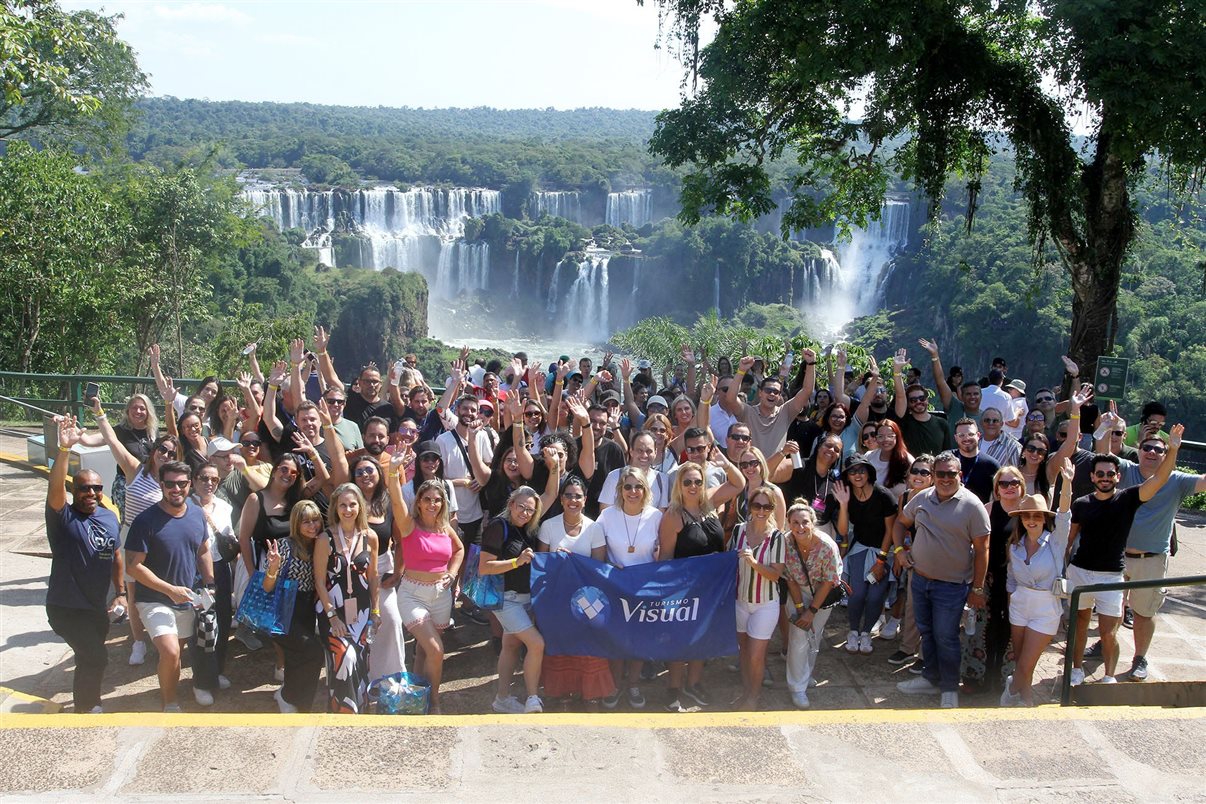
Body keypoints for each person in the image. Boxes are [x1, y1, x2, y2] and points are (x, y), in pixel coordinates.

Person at [1067, 429, 1182, 686]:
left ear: (1118, 476)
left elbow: (1160, 479)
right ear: (1092, 476)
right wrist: (1061, 569)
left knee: (1109, 632)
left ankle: (1108, 676)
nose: (1105, 478)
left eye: (1110, 474)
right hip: (1080, 572)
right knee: (1080, 624)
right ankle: (1075, 670)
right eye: (1100, 473)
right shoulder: (1082, 503)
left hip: (1111, 575)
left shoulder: (1129, 498)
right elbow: (1068, 540)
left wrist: (1172, 450)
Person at [1095, 419, 1206, 681]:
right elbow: (1102, 454)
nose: (1152, 453)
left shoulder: (1178, 480)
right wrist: (1105, 427)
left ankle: (1139, 658)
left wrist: (1175, 448)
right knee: (1111, 608)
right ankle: (1104, 645)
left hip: (1152, 558)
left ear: (1166, 455)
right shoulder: (1125, 469)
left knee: (1144, 612)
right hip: (1118, 555)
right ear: (1139, 450)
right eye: (1147, 448)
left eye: (1159, 450)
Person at [892, 451, 991, 708]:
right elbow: (900, 523)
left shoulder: (972, 506)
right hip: (920, 579)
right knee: (927, 633)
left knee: (946, 637)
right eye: (941, 474)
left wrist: (977, 588)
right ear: (933, 475)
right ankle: (930, 678)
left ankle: (949, 688)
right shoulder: (922, 498)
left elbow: (982, 550)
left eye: (951, 474)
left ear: (960, 475)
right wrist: (900, 551)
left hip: (952, 586)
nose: (946, 478)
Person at [87, 394, 179, 666]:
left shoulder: (173, 482)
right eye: (162, 450)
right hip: (132, 538)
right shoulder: (134, 470)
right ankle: (138, 641)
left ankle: (164, 637)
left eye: (171, 453)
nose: (165, 455)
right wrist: (99, 413)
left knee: (162, 590)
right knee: (135, 591)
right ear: (153, 451)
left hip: (160, 542)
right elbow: (113, 441)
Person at [45, 417, 124, 713]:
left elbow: (117, 555)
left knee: (86, 658)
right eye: (84, 489)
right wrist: (64, 449)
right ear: (74, 490)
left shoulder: (108, 516)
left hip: (96, 607)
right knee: (96, 657)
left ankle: (85, 704)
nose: (90, 494)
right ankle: (90, 708)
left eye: (95, 488)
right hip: (66, 607)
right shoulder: (62, 517)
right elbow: (54, 489)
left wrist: (120, 593)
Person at [125, 460, 215, 712]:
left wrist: (210, 583)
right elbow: (133, 566)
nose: (176, 489)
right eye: (169, 484)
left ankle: (169, 690)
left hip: (187, 599)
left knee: (176, 653)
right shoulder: (145, 520)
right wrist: (169, 590)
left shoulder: (197, 514)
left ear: (190, 484)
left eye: (181, 483)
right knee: (171, 651)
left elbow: (204, 549)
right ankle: (170, 703)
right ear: (161, 485)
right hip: (153, 599)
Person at [657, 454, 744, 711]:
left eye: (697, 481)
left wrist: (725, 462)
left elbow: (738, 484)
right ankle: (674, 688)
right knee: (679, 639)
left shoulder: (711, 501)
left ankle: (694, 684)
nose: (693, 486)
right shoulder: (673, 515)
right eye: (687, 482)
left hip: (713, 587)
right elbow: (665, 557)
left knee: (703, 637)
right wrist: (667, 593)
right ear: (679, 485)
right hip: (683, 588)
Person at [387, 464, 464, 714]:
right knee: (435, 649)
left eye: (438, 500)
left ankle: (415, 699)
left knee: (423, 651)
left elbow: (460, 550)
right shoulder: (409, 526)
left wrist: (452, 574)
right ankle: (434, 702)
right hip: (412, 594)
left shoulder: (445, 528)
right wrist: (392, 471)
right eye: (427, 499)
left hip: (441, 596)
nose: (433, 504)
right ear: (418, 502)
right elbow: (397, 502)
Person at [588, 466, 664, 708]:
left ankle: (633, 685)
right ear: (620, 490)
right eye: (628, 486)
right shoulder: (607, 516)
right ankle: (615, 685)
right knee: (617, 640)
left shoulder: (656, 517)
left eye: (638, 486)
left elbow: (661, 553)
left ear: (645, 490)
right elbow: (597, 552)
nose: (633, 491)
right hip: (615, 587)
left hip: (644, 589)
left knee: (639, 640)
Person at [537, 477, 614, 710]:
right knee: (560, 645)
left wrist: (573, 561)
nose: (573, 500)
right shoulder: (548, 526)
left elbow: (598, 569)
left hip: (586, 602)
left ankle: (591, 694)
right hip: (556, 600)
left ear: (585, 499)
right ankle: (563, 694)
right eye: (568, 495)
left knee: (588, 647)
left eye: (578, 496)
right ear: (561, 500)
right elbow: (541, 565)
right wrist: (556, 561)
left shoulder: (595, 528)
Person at [1002, 474, 1074, 706]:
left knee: (1026, 662)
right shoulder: (1014, 545)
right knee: (1023, 660)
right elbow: (1011, 580)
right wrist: (1011, 602)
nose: (1031, 520)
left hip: (1046, 607)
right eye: (1027, 516)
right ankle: (1026, 698)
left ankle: (1008, 694)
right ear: (1021, 519)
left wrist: (1068, 483)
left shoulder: (1054, 541)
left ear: (1044, 518)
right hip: (1020, 604)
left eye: (1037, 516)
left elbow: (1064, 517)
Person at [313, 483, 381, 713]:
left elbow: (373, 577)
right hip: (333, 610)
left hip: (361, 610)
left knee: (360, 660)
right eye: (343, 505)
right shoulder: (325, 539)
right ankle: (344, 713)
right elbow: (319, 582)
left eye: (353, 504)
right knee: (345, 657)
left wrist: (376, 611)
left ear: (360, 506)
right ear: (335, 507)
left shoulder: (370, 536)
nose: (348, 509)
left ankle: (359, 710)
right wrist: (332, 616)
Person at [479, 486, 546, 714]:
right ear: (511, 505)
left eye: (530, 510)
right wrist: (517, 562)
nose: (525, 513)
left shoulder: (527, 530)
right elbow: (485, 566)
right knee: (536, 644)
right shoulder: (498, 527)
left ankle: (502, 699)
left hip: (526, 598)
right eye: (521, 507)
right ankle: (533, 699)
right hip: (506, 599)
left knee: (510, 646)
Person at [350, 455, 407, 685]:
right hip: (351, 573)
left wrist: (398, 572)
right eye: (360, 472)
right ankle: (359, 680)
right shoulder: (348, 502)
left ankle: (389, 680)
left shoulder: (388, 502)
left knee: (391, 622)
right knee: (356, 625)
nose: (365, 475)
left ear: (378, 474)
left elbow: (400, 540)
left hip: (383, 570)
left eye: (370, 470)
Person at [263, 501, 325, 713]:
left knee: (296, 657)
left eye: (315, 520)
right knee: (314, 652)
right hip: (284, 609)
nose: (312, 526)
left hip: (306, 607)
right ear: (296, 523)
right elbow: (267, 586)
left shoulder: (320, 544)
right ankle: (288, 696)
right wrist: (273, 567)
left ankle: (296, 701)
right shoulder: (284, 546)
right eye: (306, 521)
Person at [832, 454, 897, 656]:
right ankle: (853, 632)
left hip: (883, 551)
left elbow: (890, 531)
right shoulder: (848, 495)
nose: (857, 474)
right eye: (852, 471)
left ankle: (867, 633)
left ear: (869, 473)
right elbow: (843, 530)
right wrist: (843, 504)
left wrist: (881, 560)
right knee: (857, 593)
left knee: (876, 596)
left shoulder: (884, 495)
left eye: (861, 470)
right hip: (860, 548)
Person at [781, 501, 842, 709]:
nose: (800, 527)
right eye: (795, 522)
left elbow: (828, 581)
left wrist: (812, 611)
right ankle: (797, 687)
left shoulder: (826, 546)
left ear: (813, 522)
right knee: (798, 635)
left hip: (823, 593)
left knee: (814, 634)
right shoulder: (786, 544)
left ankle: (804, 674)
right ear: (788, 523)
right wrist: (800, 610)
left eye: (805, 522)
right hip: (797, 590)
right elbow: (789, 578)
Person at [731, 486, 787, 711]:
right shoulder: (738, 531)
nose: (761, 511)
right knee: (743, 652)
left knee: (756, 655)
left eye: (767, 506)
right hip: (740, 601)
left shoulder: (776, 538)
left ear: (773, 509)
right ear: (750, 507)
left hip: (766, 604)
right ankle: (747, 690)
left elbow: (775, 574)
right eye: (757, 505)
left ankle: (754, 697)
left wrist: (754, 563)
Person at [189, 461, 236, 704]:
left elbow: (229, 539)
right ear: (194, 480)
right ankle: (201, 681)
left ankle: (216, 671)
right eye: (204, 478)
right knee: (203, 626)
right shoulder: (185, 506)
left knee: (223, 621)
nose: (209, 483)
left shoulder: (225, 507)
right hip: (195, 572)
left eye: (214, 480)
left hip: (221, 569)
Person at [719, 351, 818, 458]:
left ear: (779, 396)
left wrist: (811, 364)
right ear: (760, 393)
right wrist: (741, 371)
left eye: (776, 392)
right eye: (768, 390)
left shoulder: (786, 412)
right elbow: (730, 399)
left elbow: (807, 390)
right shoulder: (747, 412)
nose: (772, 394)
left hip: (777, 472)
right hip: (750, 470)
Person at [885, 455, 935, 667]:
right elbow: (901, 525)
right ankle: (907, 648)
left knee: (932, 608)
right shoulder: (905, 498)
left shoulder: (937, 497)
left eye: (925, 472)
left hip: (938, 559)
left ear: (933, 477)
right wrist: (899, 552)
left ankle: (925, 655)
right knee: (912, 605)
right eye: (916, 471)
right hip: (914, 557)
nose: (919, 476)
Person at [891, 351, 952, 456]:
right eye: (913, 400)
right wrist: (897, 370)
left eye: (921, 398)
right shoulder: (904, 422)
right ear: (908, 404)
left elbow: (947, 454)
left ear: (927, 400)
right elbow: (900, 395)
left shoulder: (942, 423)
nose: (918, 402)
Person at [952, 418, 1001, 503]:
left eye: (970, 434)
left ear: (978, 435)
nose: (966, 438)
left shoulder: (991, 465)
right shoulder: (947, 459)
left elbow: (998, 497)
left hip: (978, 513)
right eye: (961, 435)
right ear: (956, 438)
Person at [866, 419, 913, 501]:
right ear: (876, 438)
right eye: (880, 436)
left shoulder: (907, 461)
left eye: (890, 436)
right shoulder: (869, 456)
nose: (885, 440)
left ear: (897, 437)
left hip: (898, 510)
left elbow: (911, 492)